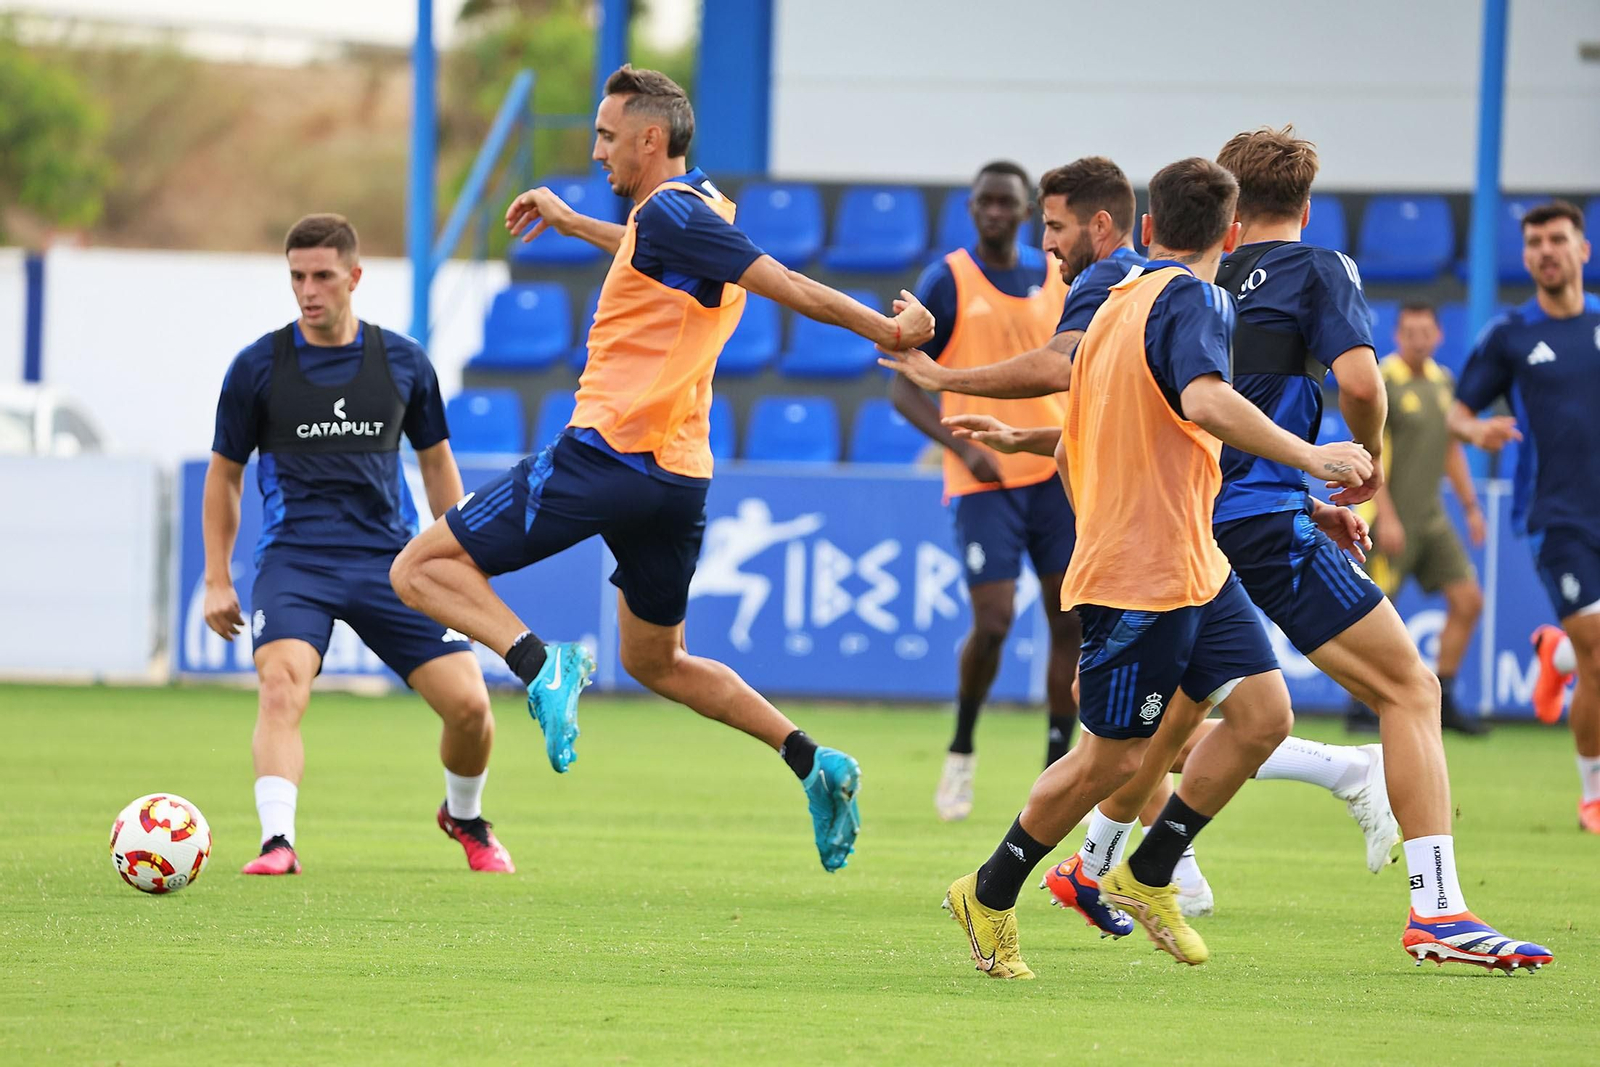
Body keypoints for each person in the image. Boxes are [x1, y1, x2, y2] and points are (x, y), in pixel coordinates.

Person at [389, 66, 935, 873]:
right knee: (655, 658)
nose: (597, 149)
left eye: (608, 136)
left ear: (652, 138)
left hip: (609, 450)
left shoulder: (677, 212)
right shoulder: (695, 207)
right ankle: (812, 761)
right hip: (676, 477)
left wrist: (886, 335)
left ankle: (543, 663)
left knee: (418, 567)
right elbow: (654, 249)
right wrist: (575, 222)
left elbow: (779, 281)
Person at [887, 157, 1397, 922]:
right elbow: (1173, 405)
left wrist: (992, 414)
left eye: (1053, 225)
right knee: (1121, 743)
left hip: (1184, 554)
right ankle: (1003, 889)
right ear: (1228, 232)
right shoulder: (1165, 296)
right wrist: (1311, 457)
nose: (1046, 245)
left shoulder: (1137, 294)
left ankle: (1150, 865)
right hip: (1146, 557)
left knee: (1252, 714)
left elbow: (1148, 416)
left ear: (1135, 228)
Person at [203, 213, 513, 877]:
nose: (308, 290)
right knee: (281, 687)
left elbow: (435, 464)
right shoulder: (256, 367)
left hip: (392, 562)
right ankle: (276, 841)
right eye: (296, 277)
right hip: (296, 561)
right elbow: (224, 477)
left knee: (471, 708)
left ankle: (464, 814)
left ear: (355, 276)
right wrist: (215, 576)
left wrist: (456, 551)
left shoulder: (403, 362)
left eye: (321, 275)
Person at [890, 161, 1080, 821]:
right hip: (983, 479)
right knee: (994, 623)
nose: (995, 212)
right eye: (984, 202)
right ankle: (962, 748)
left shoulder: (1055, 275)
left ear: (1027, 210)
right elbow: (903, 383)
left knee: (1070, 621)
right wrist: (965, 447)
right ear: (971, 208)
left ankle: (1061, 768)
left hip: (1056, 470)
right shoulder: (948, 279)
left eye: (1007, 202)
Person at [1449, 199, 1600, 833]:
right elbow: (1455, 409)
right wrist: (1475, 430)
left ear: (1582, 250)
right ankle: (1593, 790)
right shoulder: (1510, 334)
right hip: (1556, 515)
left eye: (1557, 239)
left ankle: (1558, 657)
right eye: (1534, 241)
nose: (1545, 250)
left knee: (1591, 651)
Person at [1362, 303, 1488, 735]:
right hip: (1389, 514)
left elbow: (1451, 448)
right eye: (1410, 332)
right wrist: (1387, 516)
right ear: (1398, 336)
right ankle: (1363, 704)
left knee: (1469, 601)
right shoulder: (1384, 381)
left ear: (1437, 336)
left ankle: (1446, 697)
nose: (1418, 339)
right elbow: (1368, 451)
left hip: (1431, 516)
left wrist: (1471, 507)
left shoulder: (1443, 383)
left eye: (1426, 332)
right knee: (1375, 612)